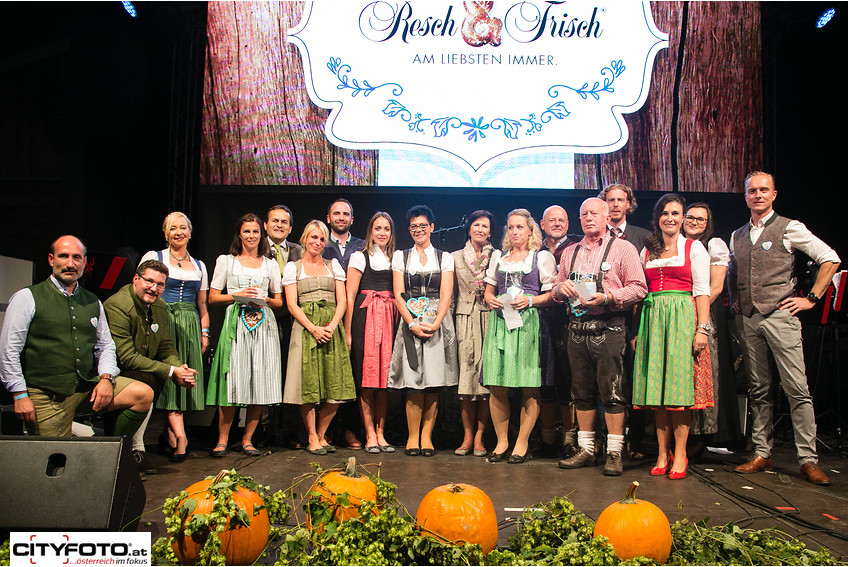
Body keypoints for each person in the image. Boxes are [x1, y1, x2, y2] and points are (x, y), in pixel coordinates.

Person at [729, 171, 840, 486]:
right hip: (749, 317)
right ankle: (762, 452)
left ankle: (808, 459)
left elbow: (830, 258)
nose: (758, 195)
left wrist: (811, 298)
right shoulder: (737, 235)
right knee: (758, 389)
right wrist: (735, 299)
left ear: (774, 194)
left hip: (780, 315)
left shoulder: (789, 228)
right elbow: (733, 271)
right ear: (746, 196)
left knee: (796, 388)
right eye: (753, 191)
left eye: (764, 190)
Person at [0, 235, 153, 442]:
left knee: (142, 394)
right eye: (64, 256)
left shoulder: (92, 301)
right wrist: (19, 394)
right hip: (47, 395)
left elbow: (106, 346)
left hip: (84, 388)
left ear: (84, 262)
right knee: (55, 455)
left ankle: (108, 449)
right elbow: (9, 350)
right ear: (51, 259)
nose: (70, 264)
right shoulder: (27, 297)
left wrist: (106, 378)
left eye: (76, 257)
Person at [552, 198, 647, 476]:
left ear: (607, 217)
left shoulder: (623, 248)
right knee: (580, 393)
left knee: (613, 393)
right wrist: (560, 289)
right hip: (577, 329)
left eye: (594, 213)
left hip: (610, 327)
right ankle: (586, 450)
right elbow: (556, 289)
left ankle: (615, 452)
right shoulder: (570, 252)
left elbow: (639, 288)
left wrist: (608, 297)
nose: (589, 218)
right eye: (584, 214)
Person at [632, 194, 713, 480]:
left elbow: (702, 291)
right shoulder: (647, 250)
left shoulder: (694, 248)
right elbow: (640, 292)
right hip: (653, 320)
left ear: (682, 218)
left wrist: (701, 329)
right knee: (657, 392)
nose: (670, 218)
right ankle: (661, 453)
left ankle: (680, 454)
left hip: (681, 319)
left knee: (678, 392)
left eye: (676, 213)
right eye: (665, 213)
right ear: (657, 218)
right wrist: (637, 331)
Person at [104, 260, 198, 471]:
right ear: (136, 279)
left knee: (151, 377)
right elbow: (126, 357)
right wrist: (171, 371)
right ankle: (132, 449)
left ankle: (132, 448)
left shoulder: (159, 306)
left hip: (141, 371)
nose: (154, 288)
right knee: (147, 379)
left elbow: (165, 345)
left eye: (160, 284)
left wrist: (179, 369)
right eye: (149, 281)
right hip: (112, 374)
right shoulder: (117, 305)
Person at [482, 209, 556, 464]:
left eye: (520, 227)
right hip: (501, 323)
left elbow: (552, 295)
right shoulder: (498, 257)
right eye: (511, 227)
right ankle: (502, 441)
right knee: (497, 384)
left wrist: (531, 300)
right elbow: (489, 291)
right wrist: (491, 299)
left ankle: (522, 442)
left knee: (529, 383)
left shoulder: (541, 257)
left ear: (530, 231)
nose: (515, 232)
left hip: (528, 325)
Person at [207, 213, 284, 457]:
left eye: (255, 232)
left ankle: (248, 440)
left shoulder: (270, 264)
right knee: (233, 380)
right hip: (237, 323)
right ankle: (222, 439)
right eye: (247, 231)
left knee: (258, 381)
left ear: (262, 234)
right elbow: (213, 297)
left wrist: (265, 299)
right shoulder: (226, 261)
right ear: (239, 234)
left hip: (263, 324)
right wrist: (237, 295)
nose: (251, 236)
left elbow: (279, 301)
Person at [139, 212, 209, 463]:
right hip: (162, 319)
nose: (178, 232)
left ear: (190, 232)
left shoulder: (200, 265)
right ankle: (180, 436)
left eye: (182, 228)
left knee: (185, 375)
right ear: (166, 233)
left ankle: (170, 433)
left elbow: (202, 304)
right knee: (169, 377)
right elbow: (141, 291)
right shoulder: (154, 257)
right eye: (172, 228)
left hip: (189, 324)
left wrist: (204, 331)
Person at [389, 205, 459, 457]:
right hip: (410, 320)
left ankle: (427, 437)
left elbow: (446, 294)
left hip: (436, 321)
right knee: (413, 381)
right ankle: (412, 437)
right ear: (409, 230)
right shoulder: (401, 256)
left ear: (431, 227)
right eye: (413, 227)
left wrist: (437, 322)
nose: (418, 230)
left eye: (422, 226)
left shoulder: (444, 257)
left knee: (433, 382)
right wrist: (410, 323)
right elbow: (398, 294)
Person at [283, 220, 356, 454]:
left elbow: (342, 300)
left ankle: (322, 434)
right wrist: (313, 328)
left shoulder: (333, 265)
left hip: (331, 329)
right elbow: (292, 304)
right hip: (305, 329)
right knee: (308, 385)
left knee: (335, 385)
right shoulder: (293, 267)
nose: (318, 242)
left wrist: (332, 326)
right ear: (305, 238)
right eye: (313, 237)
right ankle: (312, 436)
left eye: (322, 239)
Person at [599, 183, 652, 459]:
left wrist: (639, 327)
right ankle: (604, 440)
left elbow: (645, 285)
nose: (616, 204)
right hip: (603, 321)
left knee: (634, 379)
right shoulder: (594, 237)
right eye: (611, 200)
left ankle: (637, 442)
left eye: (621, 200)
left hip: (635, 318)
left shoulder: (643, 237)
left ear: (629, 204)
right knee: (606, 382)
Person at [344, 212, 399, 454]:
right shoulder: (360, 257)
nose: (382, 233)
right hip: (365, 318)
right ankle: (369, 433)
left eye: (386, 228)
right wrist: (347, 331)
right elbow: (349, 296)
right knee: (366, 378)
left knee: (384, 381)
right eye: (378, 228)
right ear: (370, 231)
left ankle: (381, 432)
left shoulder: (396, 258)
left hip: (389, 319)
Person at [681, 203, 730, 442]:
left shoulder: (713, 245)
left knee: (702, 371)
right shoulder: (676, 244)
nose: (694, 222)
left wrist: (692, 312)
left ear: (708, 223)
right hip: (677, 315)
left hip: (702, 313)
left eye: (700, 219)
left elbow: (716, 287)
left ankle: (700, 435)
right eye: (690, 217)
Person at [451, 210, 495, 457]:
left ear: (490, 232)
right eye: (476, 225)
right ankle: (467, 435)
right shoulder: (454, 257)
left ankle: (480, 435)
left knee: (486, 378)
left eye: (485, 226)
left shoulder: (497, 256)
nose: (480, 229)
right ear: (468, 229)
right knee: (466, 378)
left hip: (490, 317)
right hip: (465, 318)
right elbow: (450, 293)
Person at [323, 198, 365, 449]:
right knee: (326, 372)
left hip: (355, 316)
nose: (341, 217)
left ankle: (350, 429)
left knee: (352, 373)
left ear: (352, 219)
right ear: (328, 218)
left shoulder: (362, 245)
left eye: (345, 214)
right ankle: (325, 430)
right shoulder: (319, 241)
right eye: (336, 213)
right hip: (325, 314)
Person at [538, 205, 576, 458]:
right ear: (542, 224)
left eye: (562, 220)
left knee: (567, 383)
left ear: (568, 224)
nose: (557, 224)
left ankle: (569, 439)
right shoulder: (534, 251)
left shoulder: (576, 249)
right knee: (543, 384)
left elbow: (583, 285)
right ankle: (546, 437)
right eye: (552, 220)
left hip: (567, 324)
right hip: (539, 323)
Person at [263, 204, 303, 449]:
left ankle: (290, 431)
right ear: (266, 224)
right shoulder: (255, 246)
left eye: (284, 222)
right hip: (262, 317)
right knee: (266, 372)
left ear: (290, 227)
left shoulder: (299, 251)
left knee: (291, 373)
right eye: (274, 221)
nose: (279, 225)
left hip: (291, 320)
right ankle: (264, 430)